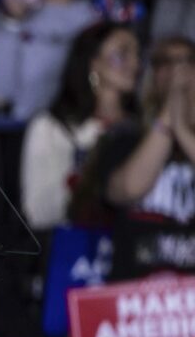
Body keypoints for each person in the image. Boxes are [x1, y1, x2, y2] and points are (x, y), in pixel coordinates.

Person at [90, 34, 195, 279]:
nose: (178, 72)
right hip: (136, 297)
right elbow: (125, 190)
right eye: (165, 63)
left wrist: (182, 130)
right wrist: (169, 117)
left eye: (188, 61)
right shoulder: (125, 138)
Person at [19, 21, 140, 231]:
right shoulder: (50, 127)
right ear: (93, 62)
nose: (135, 63)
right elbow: (36, 212)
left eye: (137, 54)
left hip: (131, 248)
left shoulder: (144, 128)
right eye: (122, 53)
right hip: (73, 248)